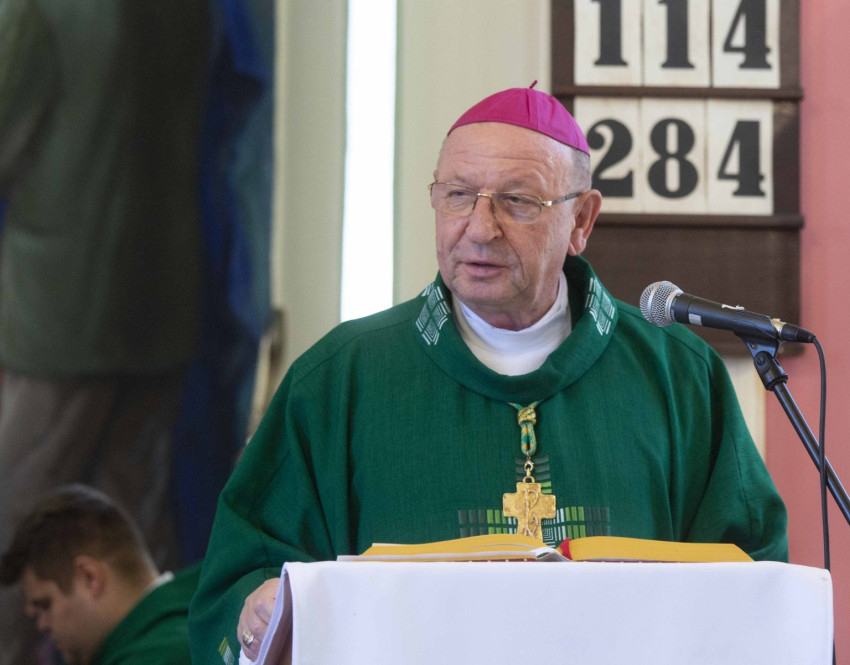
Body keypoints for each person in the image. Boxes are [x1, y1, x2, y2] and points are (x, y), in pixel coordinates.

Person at [189, 84, 788, 662]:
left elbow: (752, 582)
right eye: (458, 195)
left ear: (581, 221)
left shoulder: (679, 377)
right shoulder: (339, 380)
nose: (479, 228)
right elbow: (244, 578)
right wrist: (256, 616)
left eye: (517, 201)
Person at [0, 2, 208, 663]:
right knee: (128, 548)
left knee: (22, 541)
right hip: (164, 301)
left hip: (59, 313)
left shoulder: (38, 9)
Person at [0, 485, 199, 665]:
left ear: (89, 577)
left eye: (45, 605)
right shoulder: (203, 613)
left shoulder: (157, 658)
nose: (42, 625)